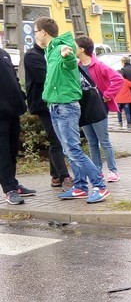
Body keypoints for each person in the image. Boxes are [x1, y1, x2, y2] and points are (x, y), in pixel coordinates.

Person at [34, 17, 108, 203]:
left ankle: (100, 186)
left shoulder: (60, 48)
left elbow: (69, 63)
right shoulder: (49, 51)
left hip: (65, 106)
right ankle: (81, 187)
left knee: (73, 150)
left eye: (35, 31)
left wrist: (68, 57)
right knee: (68, 150)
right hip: (56, 106)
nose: (35, 35)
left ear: (43, 32)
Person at [24, 42, 72, 190]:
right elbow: (46, 78)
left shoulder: (50, 53)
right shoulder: (32, 56)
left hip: (55, 101)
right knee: (55, 139)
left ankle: (56, 176)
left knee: (56, 139)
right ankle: (64, 177)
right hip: (42, 104)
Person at [75, 36, 123, 182]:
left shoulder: (99, 65)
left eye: (74, 46)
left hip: (98, 107)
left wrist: (108, 95)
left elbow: (118, 79)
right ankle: (96, 170)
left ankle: (113, 171)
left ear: (82, 49)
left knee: (104, 140)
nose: (72, 49)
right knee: (91, 141)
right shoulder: (75, 66)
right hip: (83, 107)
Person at [0, 47, 34, 205]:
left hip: (13, 111)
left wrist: (21, 97)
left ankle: (13, 184)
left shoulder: (4, 54)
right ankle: (9, 190)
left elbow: (13, 78)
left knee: (12, 151)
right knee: (3, 153)